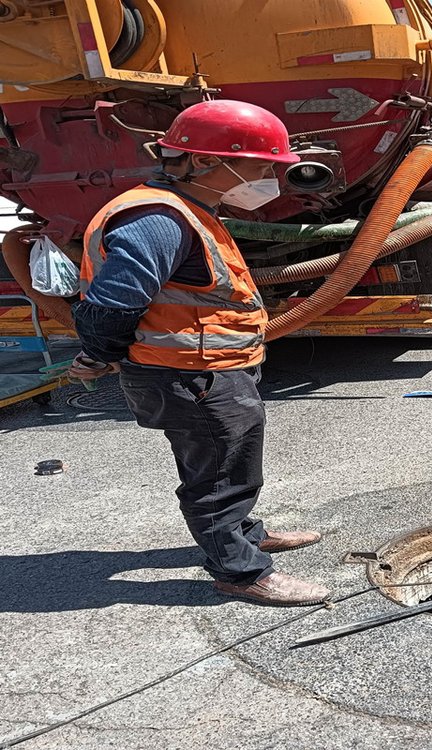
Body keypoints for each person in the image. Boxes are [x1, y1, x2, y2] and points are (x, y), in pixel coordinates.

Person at [68, 99, 331, 606]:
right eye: (260, 167)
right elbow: (113, 302)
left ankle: (242, 535)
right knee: (215, 474)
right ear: (208, 162)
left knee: (230, 463)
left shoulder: (186, 208)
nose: (269, 180)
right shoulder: (158, 217)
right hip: (187, 375)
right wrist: (99, 353)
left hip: (207, 370)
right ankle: (240, 571)